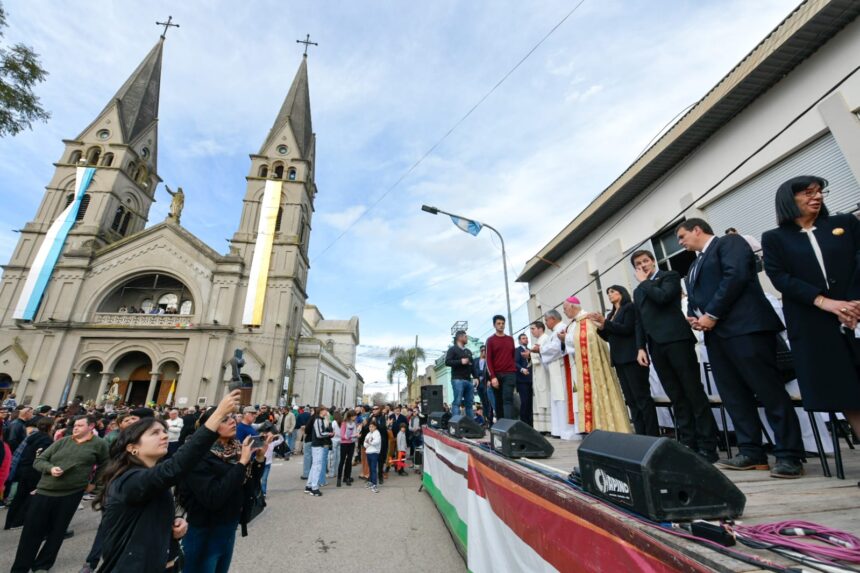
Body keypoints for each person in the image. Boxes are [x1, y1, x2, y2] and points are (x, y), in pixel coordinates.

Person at [677, 218, 804, 477]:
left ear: (697, 230)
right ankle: (751, 451)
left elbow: (735, 276)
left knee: (768, 391)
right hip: (717, 336)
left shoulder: (729, 243)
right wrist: (694, 315)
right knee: (734, 396)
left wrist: (711, 313)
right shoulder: (693, 266)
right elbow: (694, 297)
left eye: (682, 236)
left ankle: (789, 454)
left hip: (746, 328)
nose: (680, 242)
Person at [92, 390, 242, 572]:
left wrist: (173, 522)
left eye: (164, 431)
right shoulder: (129, 479)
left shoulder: (149, 474)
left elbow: (145, 515)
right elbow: (177, 466)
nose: (164, 436)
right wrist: (219, 414)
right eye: (155, 433)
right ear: (132, 448)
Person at [762, 175, 860, 439]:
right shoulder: (774, 239)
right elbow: (779, 276)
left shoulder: (845, 224)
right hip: (817, 325)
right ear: (788, 200)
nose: (817, 197)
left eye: (819, 192)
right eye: (807, 193)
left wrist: (854, 302)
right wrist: (825, 303)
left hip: (856, 314)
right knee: (848, 391)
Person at [632, 249, 719, 461]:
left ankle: (708, 444)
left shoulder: (668, 277)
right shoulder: (638, 291)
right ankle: (688, 442)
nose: (643, 265)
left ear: (653, 262)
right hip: (655, 345)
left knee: (692, 391)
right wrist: (641, 347)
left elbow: (663, 298)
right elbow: (639, 320)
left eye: (646, 261)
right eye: (638, 264)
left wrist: (644, 282)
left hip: (677, 339)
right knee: (676, 395)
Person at [10, 415, 110, 573]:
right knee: (31, 531)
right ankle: (20, 567)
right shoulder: (63, 441)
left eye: (80, 425)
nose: (75, 427)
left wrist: (94, 483)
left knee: (57, 532)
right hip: (45, 491)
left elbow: (105, 463)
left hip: (71, 493)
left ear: (91, 427)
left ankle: (42, 565)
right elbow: (40, 460)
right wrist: (50, 468)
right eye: (74, 425)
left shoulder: (99, 444)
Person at [178, 404, 268, 573]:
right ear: (210, 426)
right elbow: (213, 496)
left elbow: (249, 485)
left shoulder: (236, 448)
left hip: (229, 522)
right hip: (205, 526)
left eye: (233, 417)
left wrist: (259, 459)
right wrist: (242, 463)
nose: (233, 422)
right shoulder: (196, 453)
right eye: (225, 419)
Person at [592, 285, 660, 436]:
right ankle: (640, 434)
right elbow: (608, 337)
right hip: (619, 358)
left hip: (632, 356)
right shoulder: (610, 314)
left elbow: (627, 329)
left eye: (613, 291)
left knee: (641, 397)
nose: (609, 295)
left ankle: (652, 434)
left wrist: (606, 323)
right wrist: (601, 326)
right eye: (607, 292)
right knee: (631, 400)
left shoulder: (629, 307)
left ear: (622, 293)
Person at [562, 296, 632, 434]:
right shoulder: (574, 323)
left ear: (573, 307)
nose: (564, 312)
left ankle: (604, 426)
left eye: (565, 308)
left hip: (593, 367)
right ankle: (591, 427)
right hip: (580, 364)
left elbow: (586, 338)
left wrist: (566, 338)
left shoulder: (587, 319)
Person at [5, 417, 54, 530]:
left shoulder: (32, 436)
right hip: (34, 471)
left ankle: (10, 522)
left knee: (19, 496)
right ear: (50, 427)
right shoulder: (46, 440)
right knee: (30, 496)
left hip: (24, 468)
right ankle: (18, 521)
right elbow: (40, 457)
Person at [539, 310, 578, 439]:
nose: (546, 323)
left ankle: (567, 428)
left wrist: (541, 349)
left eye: (546, 321)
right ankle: (559, 429)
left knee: (563, 398)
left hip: (561, 368)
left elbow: (556, 348)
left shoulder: (561, 328)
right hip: (555, 368)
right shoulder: (555, 331)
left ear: (552, 319)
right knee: (557, 398)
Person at [485, 315, 517, 420]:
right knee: (498, 401)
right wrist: (492, 377)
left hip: (510, 374)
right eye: (498, 323)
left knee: (508, 399)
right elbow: (488, 360)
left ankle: (509, 427)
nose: (501, 325)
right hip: (497, 375)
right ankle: (500, 427)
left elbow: (513, 356)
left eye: (503, 323)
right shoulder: (490, 340)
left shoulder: (510, 339)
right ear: (494, 325)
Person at [445, 330, 475, 418]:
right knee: (457, 402)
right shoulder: (452, 349)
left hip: (468, 381)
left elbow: (472, 365)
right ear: (460, 337)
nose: (467, 339)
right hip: (457, 379)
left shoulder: (468, 351)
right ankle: (456, 423)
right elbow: (447, 362)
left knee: (469, 404)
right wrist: (460, 361)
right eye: (466, 337)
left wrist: (476, 377)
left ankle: (471, 425)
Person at [529, 321, 552, 433]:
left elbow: (547, 353)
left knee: (545, 396)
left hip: (544, 371)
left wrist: (533, 353)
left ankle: (549, 427)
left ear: (540, 329)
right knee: (539, 397)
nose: (531, 331)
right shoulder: (538, 341)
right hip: (537, 372)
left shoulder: (546, 339)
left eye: (533, 328)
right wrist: (530, 355)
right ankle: (541, 427)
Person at [305, 406, 333, 497]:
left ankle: (309, 486)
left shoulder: (319, 419)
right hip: (317, 445)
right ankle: (314, 488)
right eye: (325, 410)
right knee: (317, 466)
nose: (327, 411)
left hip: (318, 445)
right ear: (321, 411)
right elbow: (319, 434)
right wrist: (329, 433)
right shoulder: (318, 420)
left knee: (315, 466)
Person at [515, 333, 534, 427]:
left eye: (526, 338)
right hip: (522, 380)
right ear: (519, 340)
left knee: (531, 402)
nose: (525, 340)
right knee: (525, 401)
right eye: (523, 338)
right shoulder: (517, 351)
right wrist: (522, 369)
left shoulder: (530, 350)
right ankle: (524, 423)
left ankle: (530, 423)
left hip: (531, 380)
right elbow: (515, 363)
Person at [259, 425, 283, 496]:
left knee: (264, 479)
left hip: (267, 464)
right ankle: (258, 492)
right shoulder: (262, 444)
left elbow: (281, 440)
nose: (271, 438)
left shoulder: (273, 444)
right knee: (258, 479)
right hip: (260, 463)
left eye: (272, 437)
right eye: (269, 437)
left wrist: (278, 435)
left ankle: (263, 493)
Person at [472, 346, 493, 424]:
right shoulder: (475, 360)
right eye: (482, 350)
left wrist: (489, 379)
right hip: (479, 385)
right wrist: (477, 376)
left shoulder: (489, 360)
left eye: (485, 350)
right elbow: (474, 371)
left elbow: (490, 371)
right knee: (483, 403)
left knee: (488, 402)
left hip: (486, 383)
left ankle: (490, 420)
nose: (484, 352)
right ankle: (485, 420)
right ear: (480, 351)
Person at [337, 410, 357, 487]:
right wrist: (351, 436)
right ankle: (339, 479)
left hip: (351, 443)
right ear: (350, 416)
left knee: (349, 461)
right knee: (342, 461)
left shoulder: (354, 423)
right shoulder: (344, 423)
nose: (355, 417)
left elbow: (354, 433)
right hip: (344, 444)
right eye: (354, 416)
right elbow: (341, 435)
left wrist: (356, 435)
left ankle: (347, 477)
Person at [364, 420, 381, 493]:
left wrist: (369, 442)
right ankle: (371, 482)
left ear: (375, 427)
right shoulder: (368, 434)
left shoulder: (377, 433)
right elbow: (365, 443)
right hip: (368, 452)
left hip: (374, 453)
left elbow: (376, 442)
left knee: (373, 469)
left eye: (372, 427)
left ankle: (374, 485)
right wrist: (369, 442)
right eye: (369, 427)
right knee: (370, 468)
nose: (370, 428)